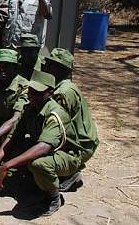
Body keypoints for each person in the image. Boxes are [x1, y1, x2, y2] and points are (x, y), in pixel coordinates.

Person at [0, 70, 82, 217]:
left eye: (37, 92)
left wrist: (7, 165)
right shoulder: (30, 108)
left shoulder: (54, 114)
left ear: (50, 93)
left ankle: (54, 197)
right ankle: (31, 185)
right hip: (42, 150)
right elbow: (12, 138)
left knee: (39, 165)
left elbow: (44, 147)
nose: (31, 94)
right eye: (31, 90)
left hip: (66, 156)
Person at [42, 48, 99, 191]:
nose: (46, 68)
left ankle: (71, 171)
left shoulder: (63, 92)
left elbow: (58, 126)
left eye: (50, 65)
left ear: (59, 69)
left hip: (80, 144)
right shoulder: (62, 86)